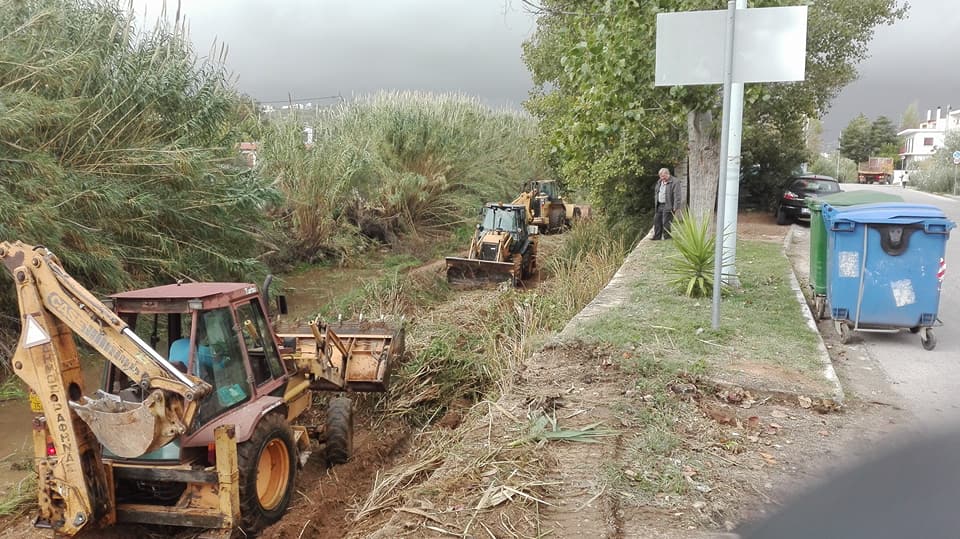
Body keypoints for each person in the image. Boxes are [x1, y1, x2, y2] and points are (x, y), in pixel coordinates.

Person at [652, 167, 682, 240]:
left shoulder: (675, 181)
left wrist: (676, 206)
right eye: (660, 176)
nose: (662, 178)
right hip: (659, 204)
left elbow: (677, 195)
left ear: (667, 174)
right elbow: (657, 192)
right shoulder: (660, 181)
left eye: (663, 176)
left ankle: (667, 237)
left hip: (668, 205)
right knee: (657, 220)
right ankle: (657, 236)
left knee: (666, 222)